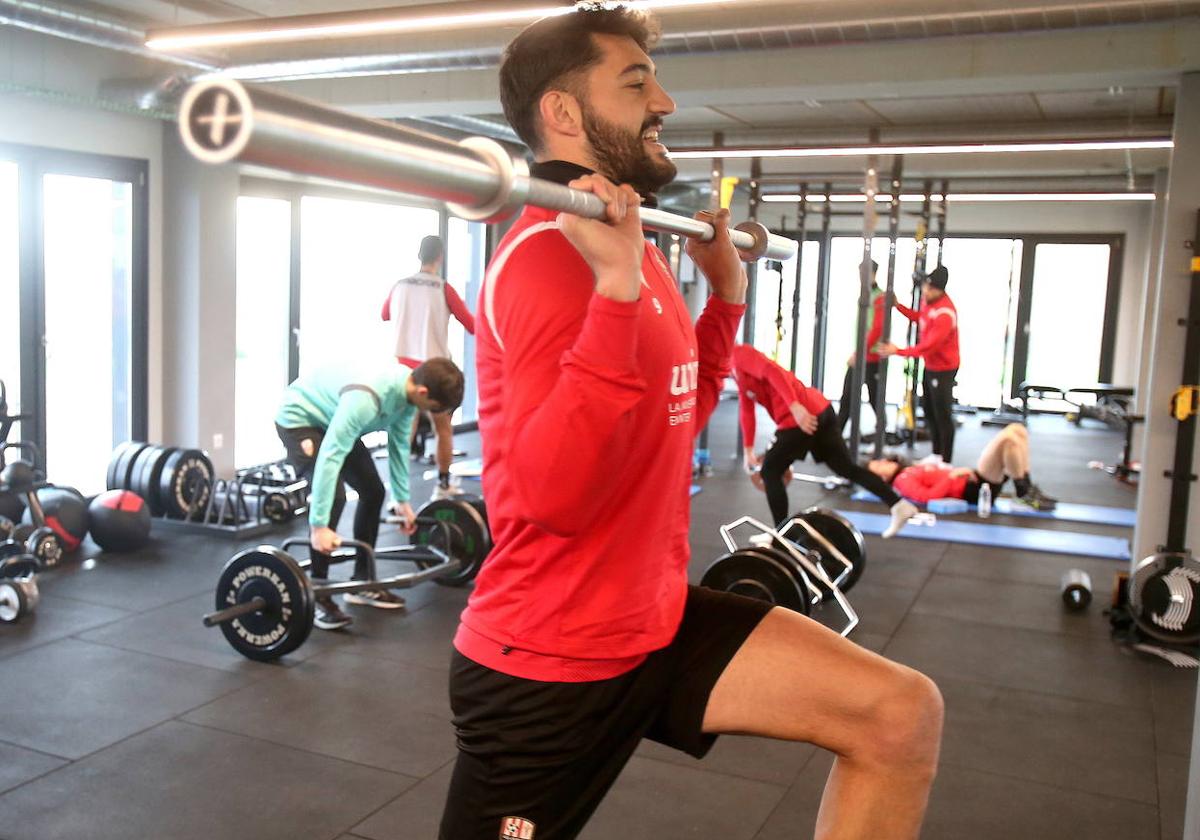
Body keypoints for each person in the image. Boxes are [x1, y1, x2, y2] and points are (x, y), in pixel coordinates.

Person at [439, 7, 943, 840]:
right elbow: (546, 499)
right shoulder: (546, 261)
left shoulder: (633, 250)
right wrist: (613, 295)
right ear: (563, 113)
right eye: (635, 83)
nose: (664, 100)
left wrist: (726, 296)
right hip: (547, 661)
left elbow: (676, 414)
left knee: (898, 715)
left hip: (654, 619)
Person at [275, 357, 464, 630]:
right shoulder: (367, 398)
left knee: (373, 492)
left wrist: (401, 500)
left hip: (333, 418)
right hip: (300, 419)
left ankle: (363, 582)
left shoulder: (408, 394)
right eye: (434, 409)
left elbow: (399, 445)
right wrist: (318, 526)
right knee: (336, 497)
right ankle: (316, 591)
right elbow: (330, 455)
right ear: (423, 392)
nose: (432, 415)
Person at [733, 343, 919, 537]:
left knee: (770, 470)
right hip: (820, 410)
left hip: (801, 416)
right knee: (845, 467)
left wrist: (795, 406)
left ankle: (782, 536)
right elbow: (746, 407)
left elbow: (772, 371)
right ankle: (898, 505)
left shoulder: (739, 353)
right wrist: (748, 449)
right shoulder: (734, 370)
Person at [382, 234, 476, 500]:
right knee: (442, 429)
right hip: (434, 371)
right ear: (440, 257)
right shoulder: (443, 288)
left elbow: (384, 314)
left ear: (419, 255)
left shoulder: (399, 286)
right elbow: (472, 326)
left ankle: (397, 498)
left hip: (404, 371)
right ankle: (443, 486)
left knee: (403, 432)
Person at [867, 422, 1057, 510]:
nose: (884, 461)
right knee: (1008, 440)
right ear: (882, 478)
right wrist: (953, 476)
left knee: (1017, 430)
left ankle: (1026, 488)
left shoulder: (908, 469)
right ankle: (1023, 494)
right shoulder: (901, 482)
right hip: (972, 489)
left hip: (972, 478)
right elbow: (926, 497)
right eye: (879, 466)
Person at [878, 264, 960, 462]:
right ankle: (936, 454)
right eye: (925, 287)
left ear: (939, 290)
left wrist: (897, 351)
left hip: (944, 369)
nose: (924, 291)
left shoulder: (945, 314)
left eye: (929, 289)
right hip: (931, 366)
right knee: (930, 411)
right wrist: (898, 306)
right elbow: (919, 318)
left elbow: (927, 347)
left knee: (943, 415)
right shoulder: (929, 303)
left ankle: (946, 462)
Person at [838, 259, 886, 434]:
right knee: (847, 399)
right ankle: (833, 441)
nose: (861, 277)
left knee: (876, 401)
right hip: (862, 356)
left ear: (873, 274)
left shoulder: (880, 296)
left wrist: (859, 353)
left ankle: (880, 440)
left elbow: (877, 329)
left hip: (871, 359)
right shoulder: (865, 295)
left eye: (864, 274)